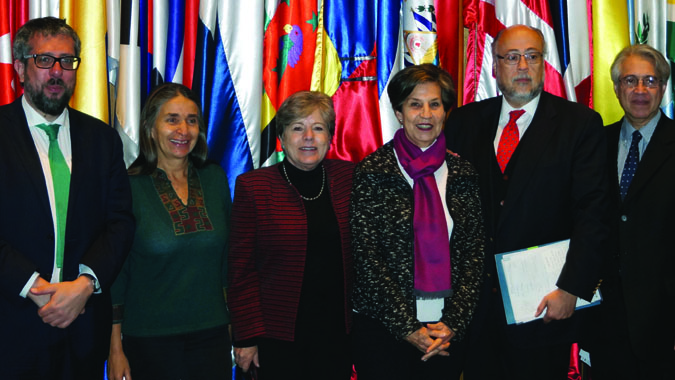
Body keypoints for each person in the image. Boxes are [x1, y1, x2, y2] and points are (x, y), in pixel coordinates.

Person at [444, 24, 610, 380]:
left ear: (543, 64)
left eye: (532, 57)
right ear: (495, 65)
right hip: (474, 311)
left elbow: (593, 214)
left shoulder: (579, 124)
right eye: (513, 57)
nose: (523, 66)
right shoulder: (463, 121)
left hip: (543, 307)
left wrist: (572, 288)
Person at [0, 17, 135, 379]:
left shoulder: (102, 139)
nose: (57, 71)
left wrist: (84, 285)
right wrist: (34, 286)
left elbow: (120, 222)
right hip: (11, 328)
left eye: (67, 61)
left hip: (84, 328)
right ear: (19, 68)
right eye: (45, 60)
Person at [350, 63, 485, 380]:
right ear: (399, 112)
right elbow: (366, 258)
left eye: (435, 104)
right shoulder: (373, 172)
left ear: (445, 112)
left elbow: (474, 254)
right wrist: (408, 327)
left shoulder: (464, 173)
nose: (426, 114)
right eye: (415, 104)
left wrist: (454, 322)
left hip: (446, 330)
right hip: (384, 331)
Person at [107, 83, 232, 380]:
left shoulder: (214, 178)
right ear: (151, 128)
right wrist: (114, 348)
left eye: (191, 120)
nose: (183, 130)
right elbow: (117, 276)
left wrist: (235, 330)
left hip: (212, 337)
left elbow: (229, 260)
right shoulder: (128, 187)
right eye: (172, 119)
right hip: (149, 342)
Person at [228, 91, 355, 379]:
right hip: (277, 336)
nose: (308, 136)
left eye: (318, 128)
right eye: (297, 128)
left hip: (337, 334)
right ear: (282, 137)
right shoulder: (254, 187)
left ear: (330, 137)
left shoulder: (349, 177)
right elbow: (241, 271)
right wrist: (246, 337)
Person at [585, 44, 675, 380]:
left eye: (650, 81)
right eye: (630, 81)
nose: (640, 90)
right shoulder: (594, 144)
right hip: (604, 319)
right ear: (616, 88)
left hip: (663, 321)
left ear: (663, 88)